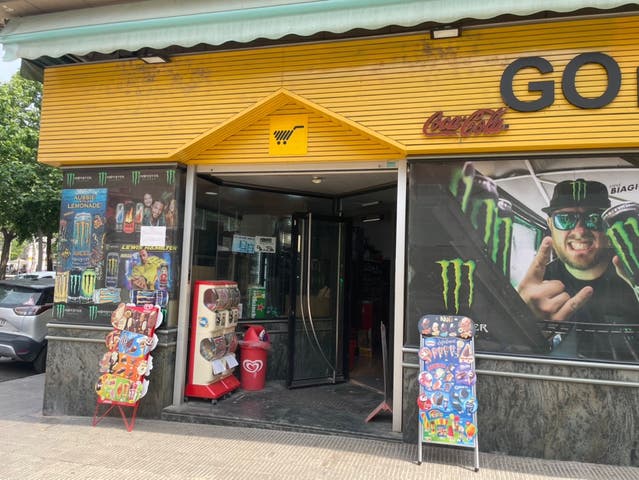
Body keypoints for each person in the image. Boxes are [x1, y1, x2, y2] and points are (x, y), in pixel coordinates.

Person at [517, 179, 638, 360]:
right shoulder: (539, 288)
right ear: (550, 224)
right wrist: (522, 322)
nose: (580, 231)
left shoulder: (634, 270)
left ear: (607, 225)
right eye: (565, 219)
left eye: (594, 219)